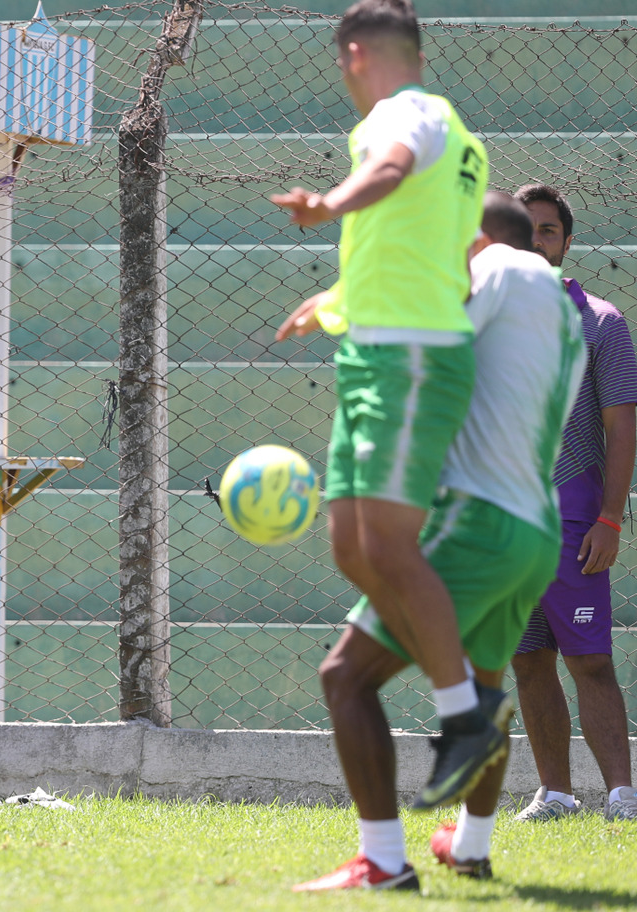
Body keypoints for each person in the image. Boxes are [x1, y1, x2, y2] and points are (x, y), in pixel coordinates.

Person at [295, 193, 587, 891]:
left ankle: (383, 861)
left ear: (477, 239)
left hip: (479, 523)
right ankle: (472, 846)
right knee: (487, 687)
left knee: (346, 678)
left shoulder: (501, 271)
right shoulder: (566, 319)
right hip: (532, 530)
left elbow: (424, 338)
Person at [270, 0, 495, 809]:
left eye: (342, 66)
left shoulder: (412, 115)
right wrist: (335, 300)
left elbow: (391, 171)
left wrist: (327, 204)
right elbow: (440, 258)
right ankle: (460, 688)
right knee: (353, 548)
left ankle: (466, 713)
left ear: (357, 53)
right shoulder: (461, 146)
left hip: (410, 360)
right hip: (374, 352)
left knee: (392, 550)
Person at [511, 183, 637, 822]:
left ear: (565, 243)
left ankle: (622, 796)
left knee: (590, 659)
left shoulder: (602, 322)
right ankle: (554, 793)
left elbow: (621, 429)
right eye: (524, 229)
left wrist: (611, 517)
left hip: (573, 517)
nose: (535, 241)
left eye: (548, 231)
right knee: (528, 658)